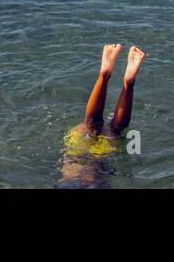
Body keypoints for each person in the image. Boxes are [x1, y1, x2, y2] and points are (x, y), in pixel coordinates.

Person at [58, 43, 146, 187]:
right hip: (75, 158)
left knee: (115, 129)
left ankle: (128, 83)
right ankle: (104, 75)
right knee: (91, 124)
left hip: (99, 162)